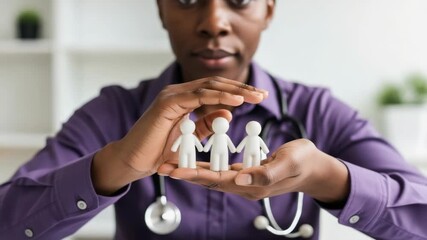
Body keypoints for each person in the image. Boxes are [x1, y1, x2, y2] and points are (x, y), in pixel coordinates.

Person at [1, 0, 427, 239]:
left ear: (269, 10)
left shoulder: (316, 111)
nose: (213, 23)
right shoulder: (115, 112)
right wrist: (114, 166)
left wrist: (330, 180)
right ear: (161, 10)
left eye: (239, 0)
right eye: (188, 0)